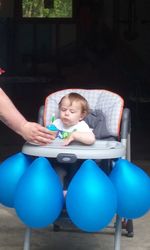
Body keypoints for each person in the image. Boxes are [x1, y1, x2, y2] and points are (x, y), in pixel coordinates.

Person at [49, 92, 95, 187]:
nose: (66, 113)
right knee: (54, 173)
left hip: (77, 161)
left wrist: (74, 135)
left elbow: (91, 139)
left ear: (81, 116)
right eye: (63, 110)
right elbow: (46, 135)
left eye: (72, 111)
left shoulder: (81, 126)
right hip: (56, 159)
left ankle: (72, 191)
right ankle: (59, 192)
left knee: (78, 175)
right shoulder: (56, 123)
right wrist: (49, 132)